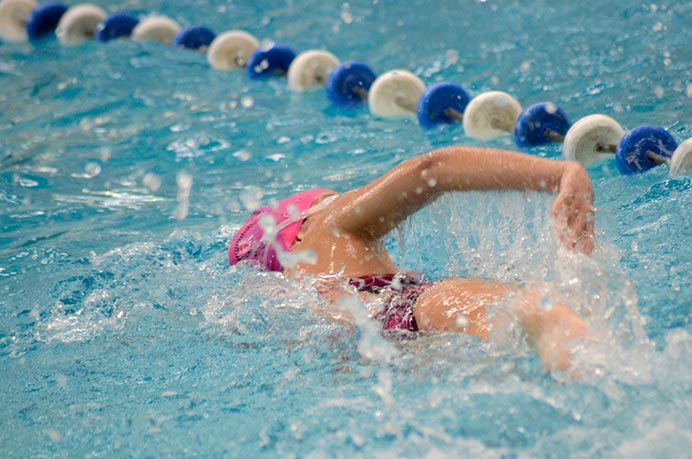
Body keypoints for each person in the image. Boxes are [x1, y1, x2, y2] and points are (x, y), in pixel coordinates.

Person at [229, 146, 595, 373]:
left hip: (389, 355)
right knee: (535, 309)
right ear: (301, 229)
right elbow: (431, 171)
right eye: (328, 199)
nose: (342, 200)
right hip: (415, 305)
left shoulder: (300, 295)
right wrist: (561, 174)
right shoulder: (326, 224)